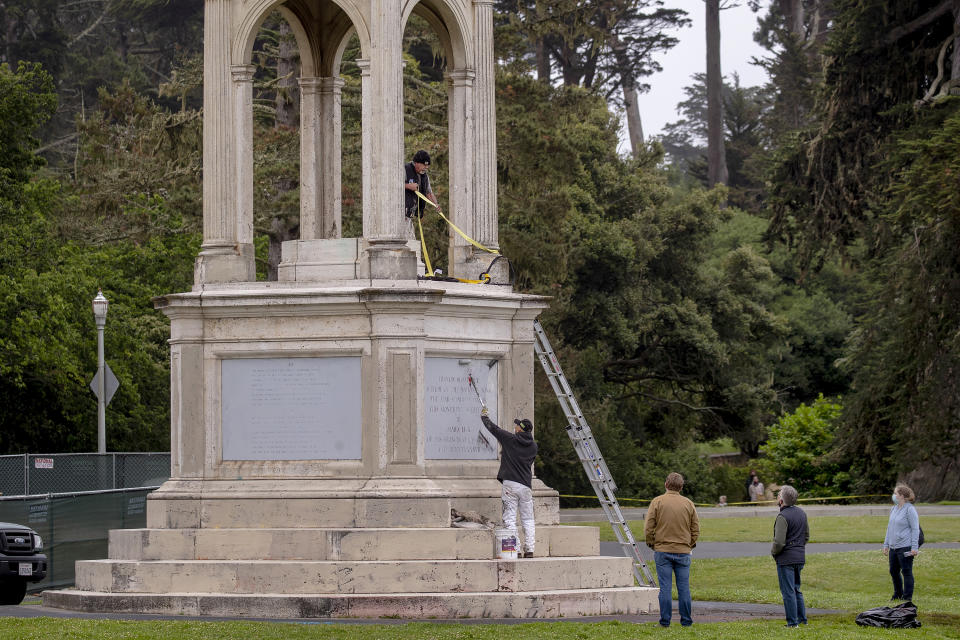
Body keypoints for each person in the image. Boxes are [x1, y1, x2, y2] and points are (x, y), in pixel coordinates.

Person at [480, 409, 538, 558]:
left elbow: (494, 429)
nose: (515, 427)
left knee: (510, 518)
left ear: (520, 429)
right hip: (526, 485)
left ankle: (516, 549)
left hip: (510, 484)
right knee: (528, 518)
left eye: (517, 426)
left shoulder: (510, 439)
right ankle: (530, 549)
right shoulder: (533, 447)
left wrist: (484, 417)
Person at [644, 472, 700, 627]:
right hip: (683, 551)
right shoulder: (688, 503)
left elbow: (648, 528)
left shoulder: (657, 502)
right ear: (681, 487)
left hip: (662, 550)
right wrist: (689, 544)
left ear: (666, 484)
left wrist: (652, 543)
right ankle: (686, 621)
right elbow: (695, 529)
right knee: (684, 588)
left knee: (665, 588)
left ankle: (665, 621)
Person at [772, 485, 809, 628]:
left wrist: (774, 552)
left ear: (781, 500)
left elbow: (779, 542)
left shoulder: (782, 516)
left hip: (786, 558)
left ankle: (793, 623)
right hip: (799, 557)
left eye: (779, 494)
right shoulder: (802, 513)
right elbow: (806, 536)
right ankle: (802, 620)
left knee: (788, 592)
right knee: (796, 589)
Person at [883, 484, 920, 602]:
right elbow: (889, 527)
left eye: (895, 494)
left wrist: (914, 547)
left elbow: (915, 529)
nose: (893, 496)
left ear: (902, 496)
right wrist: (886, 544)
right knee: (893, 571)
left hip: (905, 546)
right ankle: (897, 594)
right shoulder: (894, 508)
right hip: (893, 547)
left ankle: (907, 598)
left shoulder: (910, 509)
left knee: (906, 571)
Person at [404, 150, 440, 222]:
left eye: (427, 165)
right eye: (424, 165)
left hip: (410, 216)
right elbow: (393, 186)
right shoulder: (405, 169)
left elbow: (429, 193)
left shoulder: (424, 176)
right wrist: (408, 186)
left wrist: (436, 204)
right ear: (416, 163)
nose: (426, 167)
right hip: (399, 213)